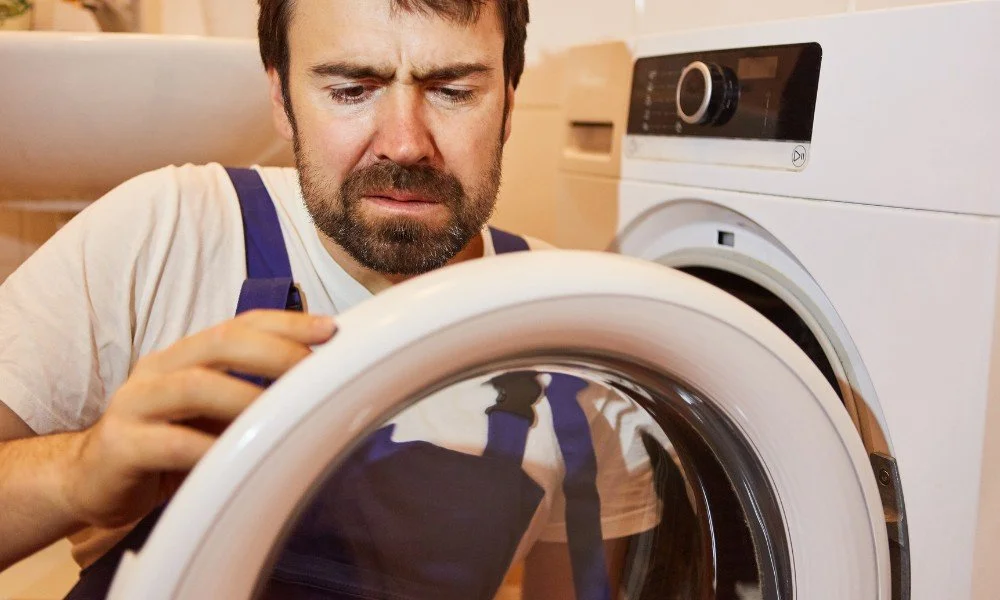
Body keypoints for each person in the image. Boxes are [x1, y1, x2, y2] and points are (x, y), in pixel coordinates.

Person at [0, 1, 660, 598]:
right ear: (282, 99)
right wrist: (74, 474)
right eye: (351, 89)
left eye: (453, 91)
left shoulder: (578, 335)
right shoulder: (167, 230)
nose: (405, 142)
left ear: (509, 106)